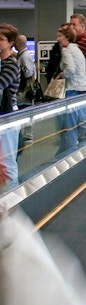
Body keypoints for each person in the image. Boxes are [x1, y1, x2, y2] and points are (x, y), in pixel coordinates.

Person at [56, 24, 86, 154]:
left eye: (60, 36)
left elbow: (70, 69)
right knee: (84, 123)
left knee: (70, 127)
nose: (58, 39)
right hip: (83, 89)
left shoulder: (66, 50)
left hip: (72, 90)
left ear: (67, 37)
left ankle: (69, 155)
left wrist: (61, 75)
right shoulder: (77, 49)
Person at [0, 23, 20, 187]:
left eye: (1, 39)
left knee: (7, 164)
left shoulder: (11, 64)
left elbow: (1, 84)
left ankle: (12, 203)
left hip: (8, 118)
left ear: (10, 43)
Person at [15, 34, 36, 108]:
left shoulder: (24, 56)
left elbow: (29, 73)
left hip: (25, 91)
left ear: (17, 43)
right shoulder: (23, 55)